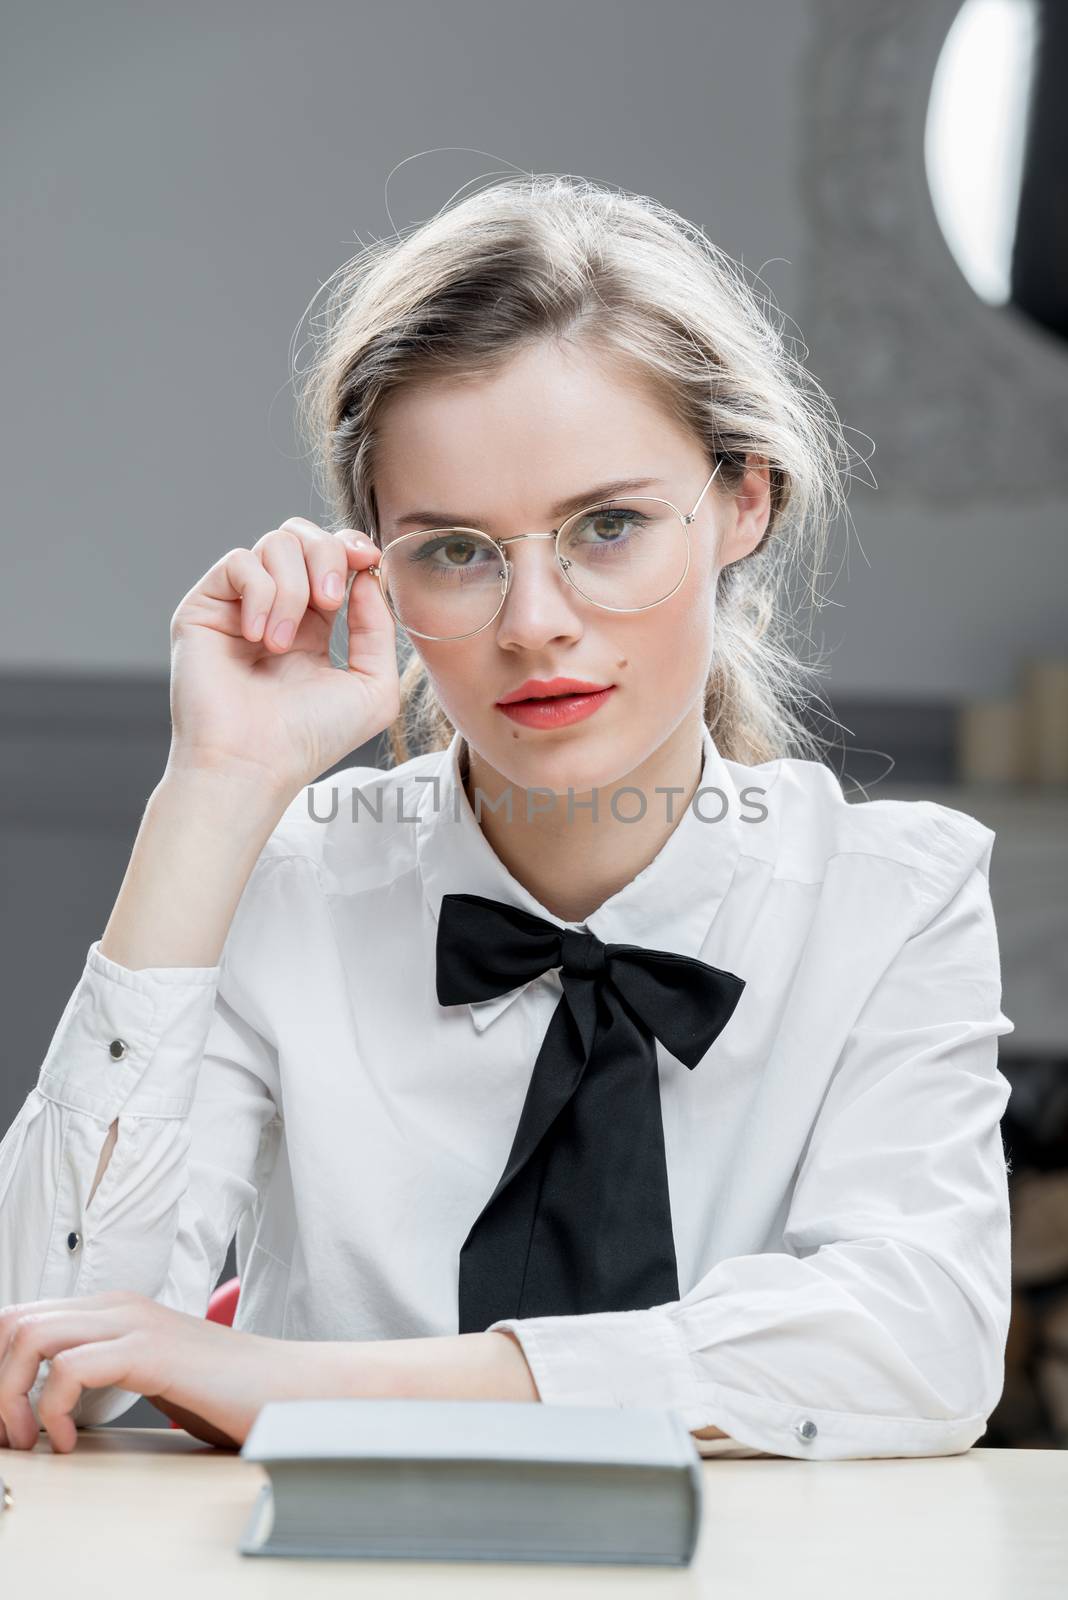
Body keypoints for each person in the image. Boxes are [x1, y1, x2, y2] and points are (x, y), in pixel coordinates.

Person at [0, 174, 1013, 1459]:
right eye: (457, 549)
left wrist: (307, 1387)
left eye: (609, 527)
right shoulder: (293, 876)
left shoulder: (892, 898)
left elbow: (918, 1339)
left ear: (744, 503)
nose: (533, 621)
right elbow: (37, 1350)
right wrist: (216, 788)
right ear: (374, 556)